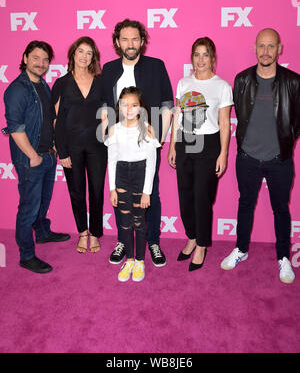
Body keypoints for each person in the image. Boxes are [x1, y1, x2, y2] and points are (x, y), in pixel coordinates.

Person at [221, 28, 300, 284]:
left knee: (280, 209)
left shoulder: (293, 82)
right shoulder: (242, 80)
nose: (266, 51)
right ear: (255, 48)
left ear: (279, 49)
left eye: (271, 46)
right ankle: (241, 249)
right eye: (261, 46)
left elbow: (297, 121)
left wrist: (284, 142)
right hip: (247, 158)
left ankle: (283, 257)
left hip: (280, 160)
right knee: (245, 204)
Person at [101, 19, 173, 267]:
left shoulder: (156, 66)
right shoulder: (109, 69)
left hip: (145, 143)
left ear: (142, 41)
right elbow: (105, 106)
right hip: (119, 142)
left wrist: (159, 137)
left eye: (135, 39)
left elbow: (166, 104)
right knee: (119, 195)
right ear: (117, 42)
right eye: (125, 39)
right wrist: (106, 132)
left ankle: (152, 241)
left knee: (149, 192)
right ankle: (123, 242)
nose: (130, 44)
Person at [3, 40, 70, 274]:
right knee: (28, 207)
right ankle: (26, 255)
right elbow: (15, 128)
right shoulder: (17, 89)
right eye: (36, 58)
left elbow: (48, 118)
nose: (41, 63)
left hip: (47, 154)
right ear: (25, 58)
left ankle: (42, 232)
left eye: (45, 59)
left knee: (43, 201)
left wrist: (53, 148)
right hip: (31, 160)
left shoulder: (43, 85)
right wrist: (32, 156)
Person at [168, 37, 233, 271]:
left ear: (213, 58)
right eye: (197, 54)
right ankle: (192, 237)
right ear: (192, 57)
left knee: (202, 197)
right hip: (185, 140)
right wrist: (173, 145)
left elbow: (225, 123)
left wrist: (223, 153)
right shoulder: (183, 83)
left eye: (205, 54)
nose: (201, 59)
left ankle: (202, 244)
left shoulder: (222, 86)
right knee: (185, 195)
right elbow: (178, 116)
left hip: (209, 145)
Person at [51, 37, 107, 254]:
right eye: (81, 51)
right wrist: (62, 151)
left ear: (93, 57)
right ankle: (82, 232)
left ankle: (94, 233)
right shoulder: (61, 83)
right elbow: (56, 120)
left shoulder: (101, 82)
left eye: (89, 53)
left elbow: (107, 114)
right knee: (76, 191)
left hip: (98, 147)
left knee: (96, 190)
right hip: (71, 148)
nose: (84, 56)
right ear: (73, 54)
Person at [105, 87, 160, 282]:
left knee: (139, 222)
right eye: (125, 104)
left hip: (140, 175)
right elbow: (111, 161)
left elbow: (151, 163)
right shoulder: (114, 129)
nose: (129, 109)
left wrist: (147, 192)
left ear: (141, 107)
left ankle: (140, 261)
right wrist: (112, 188)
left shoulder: (148, 129)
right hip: (121, 177)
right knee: (125, 223)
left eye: (134, 105)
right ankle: (129, 260)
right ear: (119, 106)